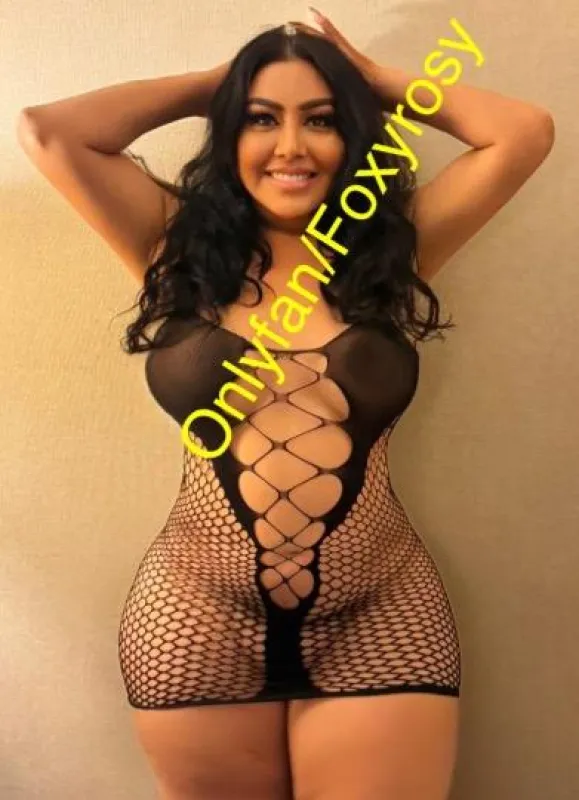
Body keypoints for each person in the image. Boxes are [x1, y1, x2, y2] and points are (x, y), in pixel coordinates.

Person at [17, 10, 554, 800]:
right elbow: (50, 132)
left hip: (379, 613)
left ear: (353, 136)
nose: (291, 146)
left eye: (322, 120)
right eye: (261, 119)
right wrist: (218, 85)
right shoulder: (174, 247)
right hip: (196, 614)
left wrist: (371, 80)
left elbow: (523, 132)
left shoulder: (389, 251)